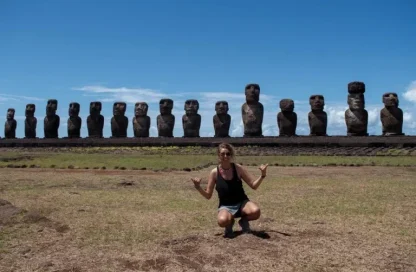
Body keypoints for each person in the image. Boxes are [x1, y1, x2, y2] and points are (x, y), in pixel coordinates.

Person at [191, 142, 268, 238]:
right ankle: (229, 223)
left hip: (242, 203)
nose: (225, 156)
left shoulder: (238, 168)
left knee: (256, 211)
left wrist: (262, 175)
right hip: (226, 206)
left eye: (228, 153)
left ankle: (243, 221)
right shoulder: (214, 172)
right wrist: (198, 187)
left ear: (231, 155)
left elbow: (253, 185)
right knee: (222, 221)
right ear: (219, 155)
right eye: (222, 154)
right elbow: (208, 195)